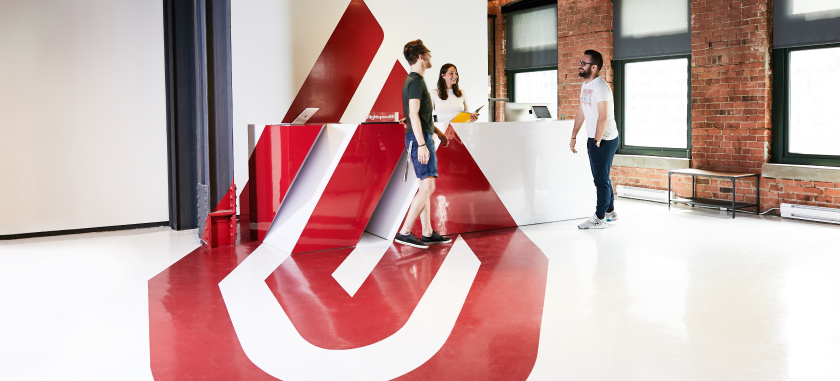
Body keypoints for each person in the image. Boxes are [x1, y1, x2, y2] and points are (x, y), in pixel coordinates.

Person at [394, 40, 452, 249]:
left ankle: (427, 232)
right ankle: (405, 232)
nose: (430, 57)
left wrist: (438, 134)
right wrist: (421, 144)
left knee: (424, 187)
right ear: (420, 57)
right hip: (420, 140)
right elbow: (413, 114)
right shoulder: (416, 82)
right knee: (428, 186)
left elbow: (422, 117)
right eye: (427, 53)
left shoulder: (415, 81)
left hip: (424, 136)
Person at [569, 49, 620, 229]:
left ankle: (600, 218)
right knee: (603, 176)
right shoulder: (586, 86)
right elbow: (581, 112)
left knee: (599, 179)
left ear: (594, 67)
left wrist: (597, 140)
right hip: (595, 138)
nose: (580, 66)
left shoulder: (600, 87)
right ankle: (610, 211)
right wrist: (574, 136)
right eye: (580, 62)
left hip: (605, 139)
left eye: (584, 63)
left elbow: (603, 116)